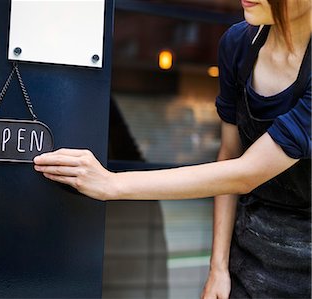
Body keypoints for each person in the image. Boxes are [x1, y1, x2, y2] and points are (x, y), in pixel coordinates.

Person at [34, 0, 311, 297]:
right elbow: (229, 155)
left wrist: (111, 183)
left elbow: (247, 173)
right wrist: (218, 268)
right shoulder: (237, 44)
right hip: (250, 247)